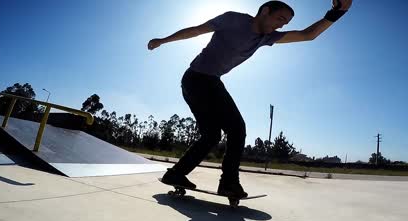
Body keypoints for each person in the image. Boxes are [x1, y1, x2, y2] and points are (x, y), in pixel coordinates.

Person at [148, 0, 353, 198]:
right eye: (279, 18)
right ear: (265, 11)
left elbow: (308, 35)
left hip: (204, 82)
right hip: (198, 78)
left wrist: (336, 13)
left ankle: (176, 173)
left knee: (211, 135)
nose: (280, 25)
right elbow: (197, 30)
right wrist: (163, 40)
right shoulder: (233, 19)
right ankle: (229, 183)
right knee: (237, 128)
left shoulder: (266, 37)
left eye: (285, 23)